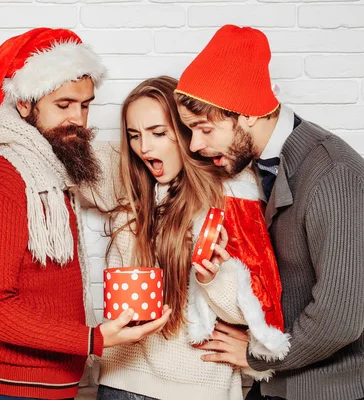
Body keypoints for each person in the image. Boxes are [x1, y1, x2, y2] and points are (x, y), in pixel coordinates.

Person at [0, 28, 170, 400]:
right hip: (12, 392)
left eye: (86, 104)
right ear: (25, 103)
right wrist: (94, 339)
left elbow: (126, 170)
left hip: (45, 389)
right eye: (63, 105)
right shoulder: (2, 183)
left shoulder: (51, 167)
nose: (78, 118)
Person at [175, 24, 364, 400]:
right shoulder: (255, 168)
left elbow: (340, 317)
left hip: (325, 391)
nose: (195, 145)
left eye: (204, 129)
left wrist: (256, 354)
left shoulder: (332, 173)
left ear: (246, 113)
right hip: (277, 384)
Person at [85, 76, 287, 399]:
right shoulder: (129, 180)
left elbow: (250, 312)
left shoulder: (228, 195)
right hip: (122, 383)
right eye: (134, 136)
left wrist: (212, 279)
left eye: (158, 133)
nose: (144, 147)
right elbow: (59, 153)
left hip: (198, 390)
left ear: (186, 134)